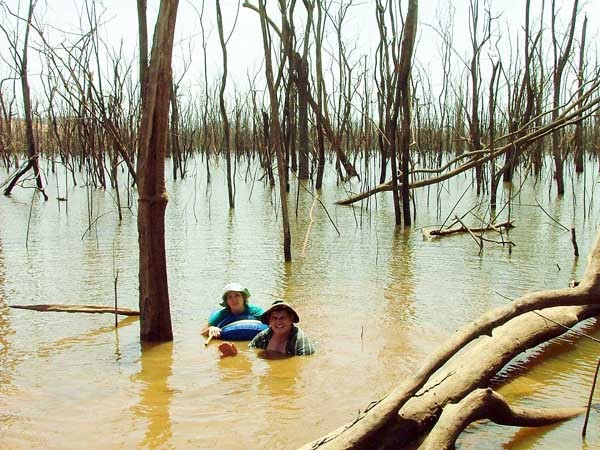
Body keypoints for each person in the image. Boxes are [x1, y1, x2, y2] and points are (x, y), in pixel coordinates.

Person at [249, 300, 315, 356]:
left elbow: (305, 361)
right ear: (269, 321)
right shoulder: (264, 336)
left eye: (282, 318)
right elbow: (250, 351)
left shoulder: (300, 340)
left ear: (291, 319)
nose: (278, 322)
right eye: (274, 318)